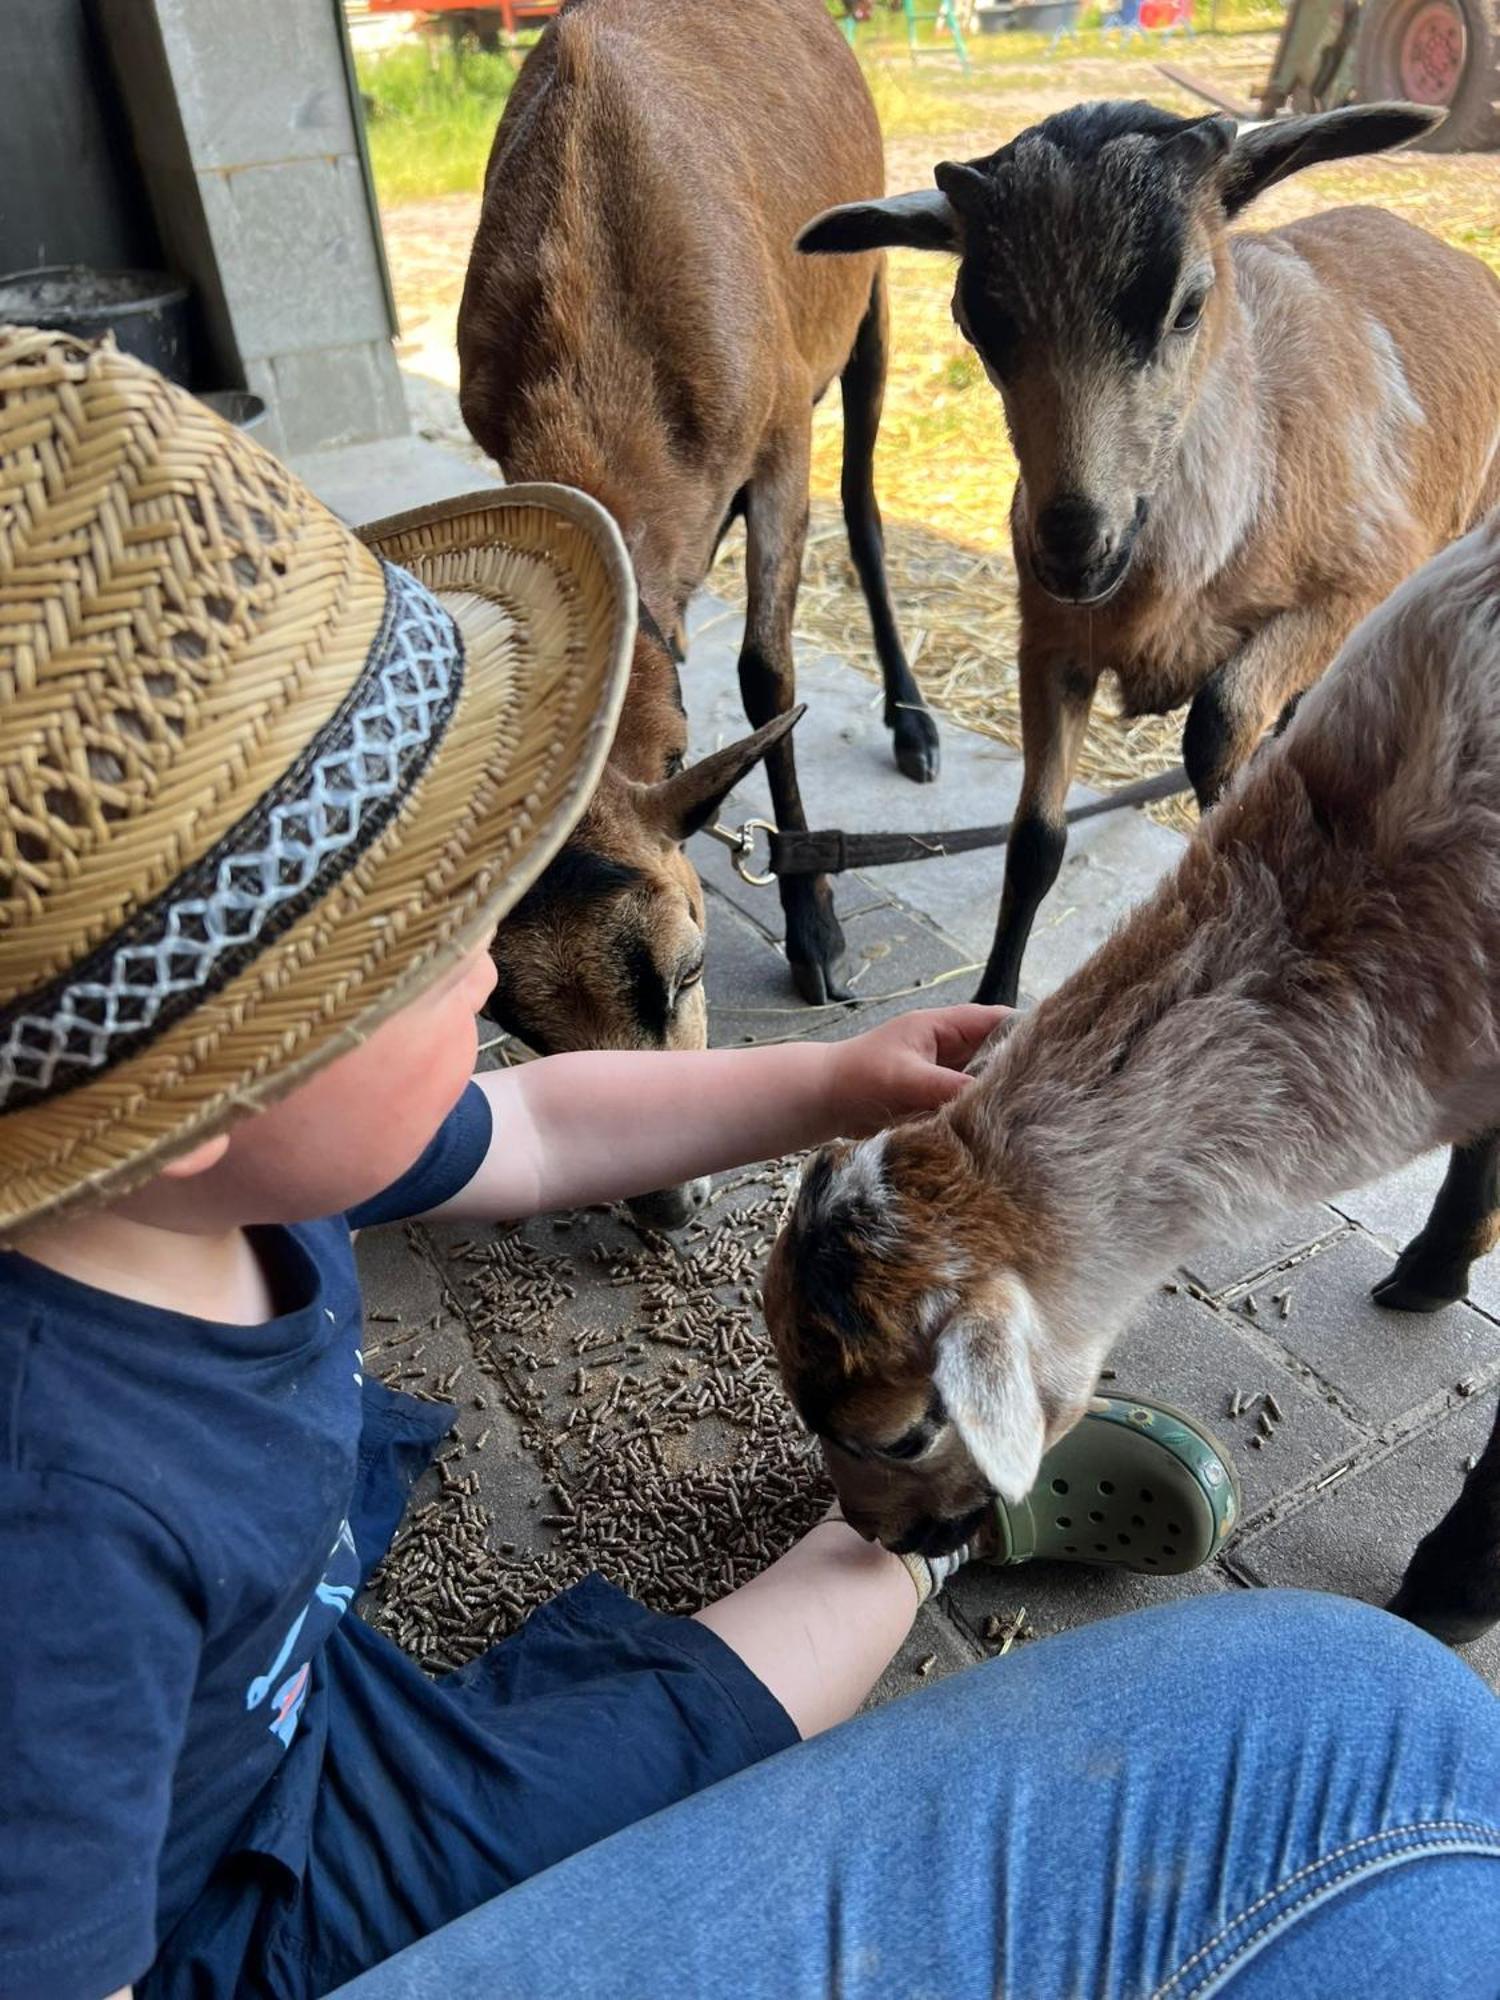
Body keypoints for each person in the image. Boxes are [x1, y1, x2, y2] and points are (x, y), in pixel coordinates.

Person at [0, 330, 1495, 2000]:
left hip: (278, 1679)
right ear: (205, 1088)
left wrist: (829, 1077)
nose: (494, 975)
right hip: (222, 1916)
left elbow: (543, 1125)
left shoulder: (199, 1184)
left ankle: (918, 1511)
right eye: (426, 951)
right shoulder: (54, 1536)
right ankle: (931, 1534)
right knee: (677, 1748)